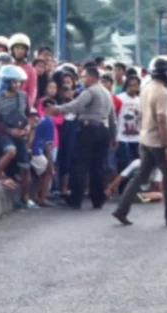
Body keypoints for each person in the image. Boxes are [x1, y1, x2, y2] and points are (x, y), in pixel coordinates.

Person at [113, 57, 167, 227]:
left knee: (140, 176)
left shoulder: (146, 89)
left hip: (145, 139)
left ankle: (121, 209)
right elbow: (162, 119)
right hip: (159, 142)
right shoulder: (162, 92)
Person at [56, 65, 116, 209]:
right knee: (98, 166)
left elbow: (76, 105)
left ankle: (75, 199)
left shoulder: (90, 91)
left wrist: (57, 109)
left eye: (85, 77)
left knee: (80, 165)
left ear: (92, 77)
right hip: (104, 130)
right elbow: (112, 117)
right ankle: (98, 199)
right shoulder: (107, 93)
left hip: (88, 130)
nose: (83, 80)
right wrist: (114, 137)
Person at [0, 65, 33, 206]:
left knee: (25, 167)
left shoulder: (23, 96)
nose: (17, 85)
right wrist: (9, 131)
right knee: (10, 151)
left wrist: (27, 127)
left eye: (19, 82)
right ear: (6, 82)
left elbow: (27, 115)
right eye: (14, 82)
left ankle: (25, 198)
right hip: (4, 133)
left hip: (21, 133)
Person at [31, 97, 57, 206]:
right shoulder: (48, 122)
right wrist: (50, 162)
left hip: (35, 149)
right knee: (48, 172)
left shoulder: (43, 120)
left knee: (41, 173)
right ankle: (43, 197)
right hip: (37, 151)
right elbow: (48, 144)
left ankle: (37, 196)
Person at [115, 74, 142, 172]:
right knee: (123, 164)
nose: (133, 88)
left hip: (137, 138)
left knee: (136, 164)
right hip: (122, 137)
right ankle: (122, 186)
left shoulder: (141, 100)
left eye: (135, 85)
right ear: (126, 86)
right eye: (130, 85)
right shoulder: (119, 98)